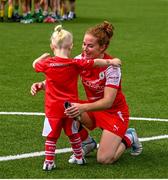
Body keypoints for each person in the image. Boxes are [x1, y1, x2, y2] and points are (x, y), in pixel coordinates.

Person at [31, 21, 143, 165]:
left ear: (103, 47)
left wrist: (82, 107)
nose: (85, 49)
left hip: (113, 112)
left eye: (90, 46)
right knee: (66, 107)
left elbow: (108, 102)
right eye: (84, 44)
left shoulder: (112, 67)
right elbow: (61, 79)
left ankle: (129, 136)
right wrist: (42, 85)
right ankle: (87, 142)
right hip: (93, 107)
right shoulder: (79, 60)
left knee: (105, 159)